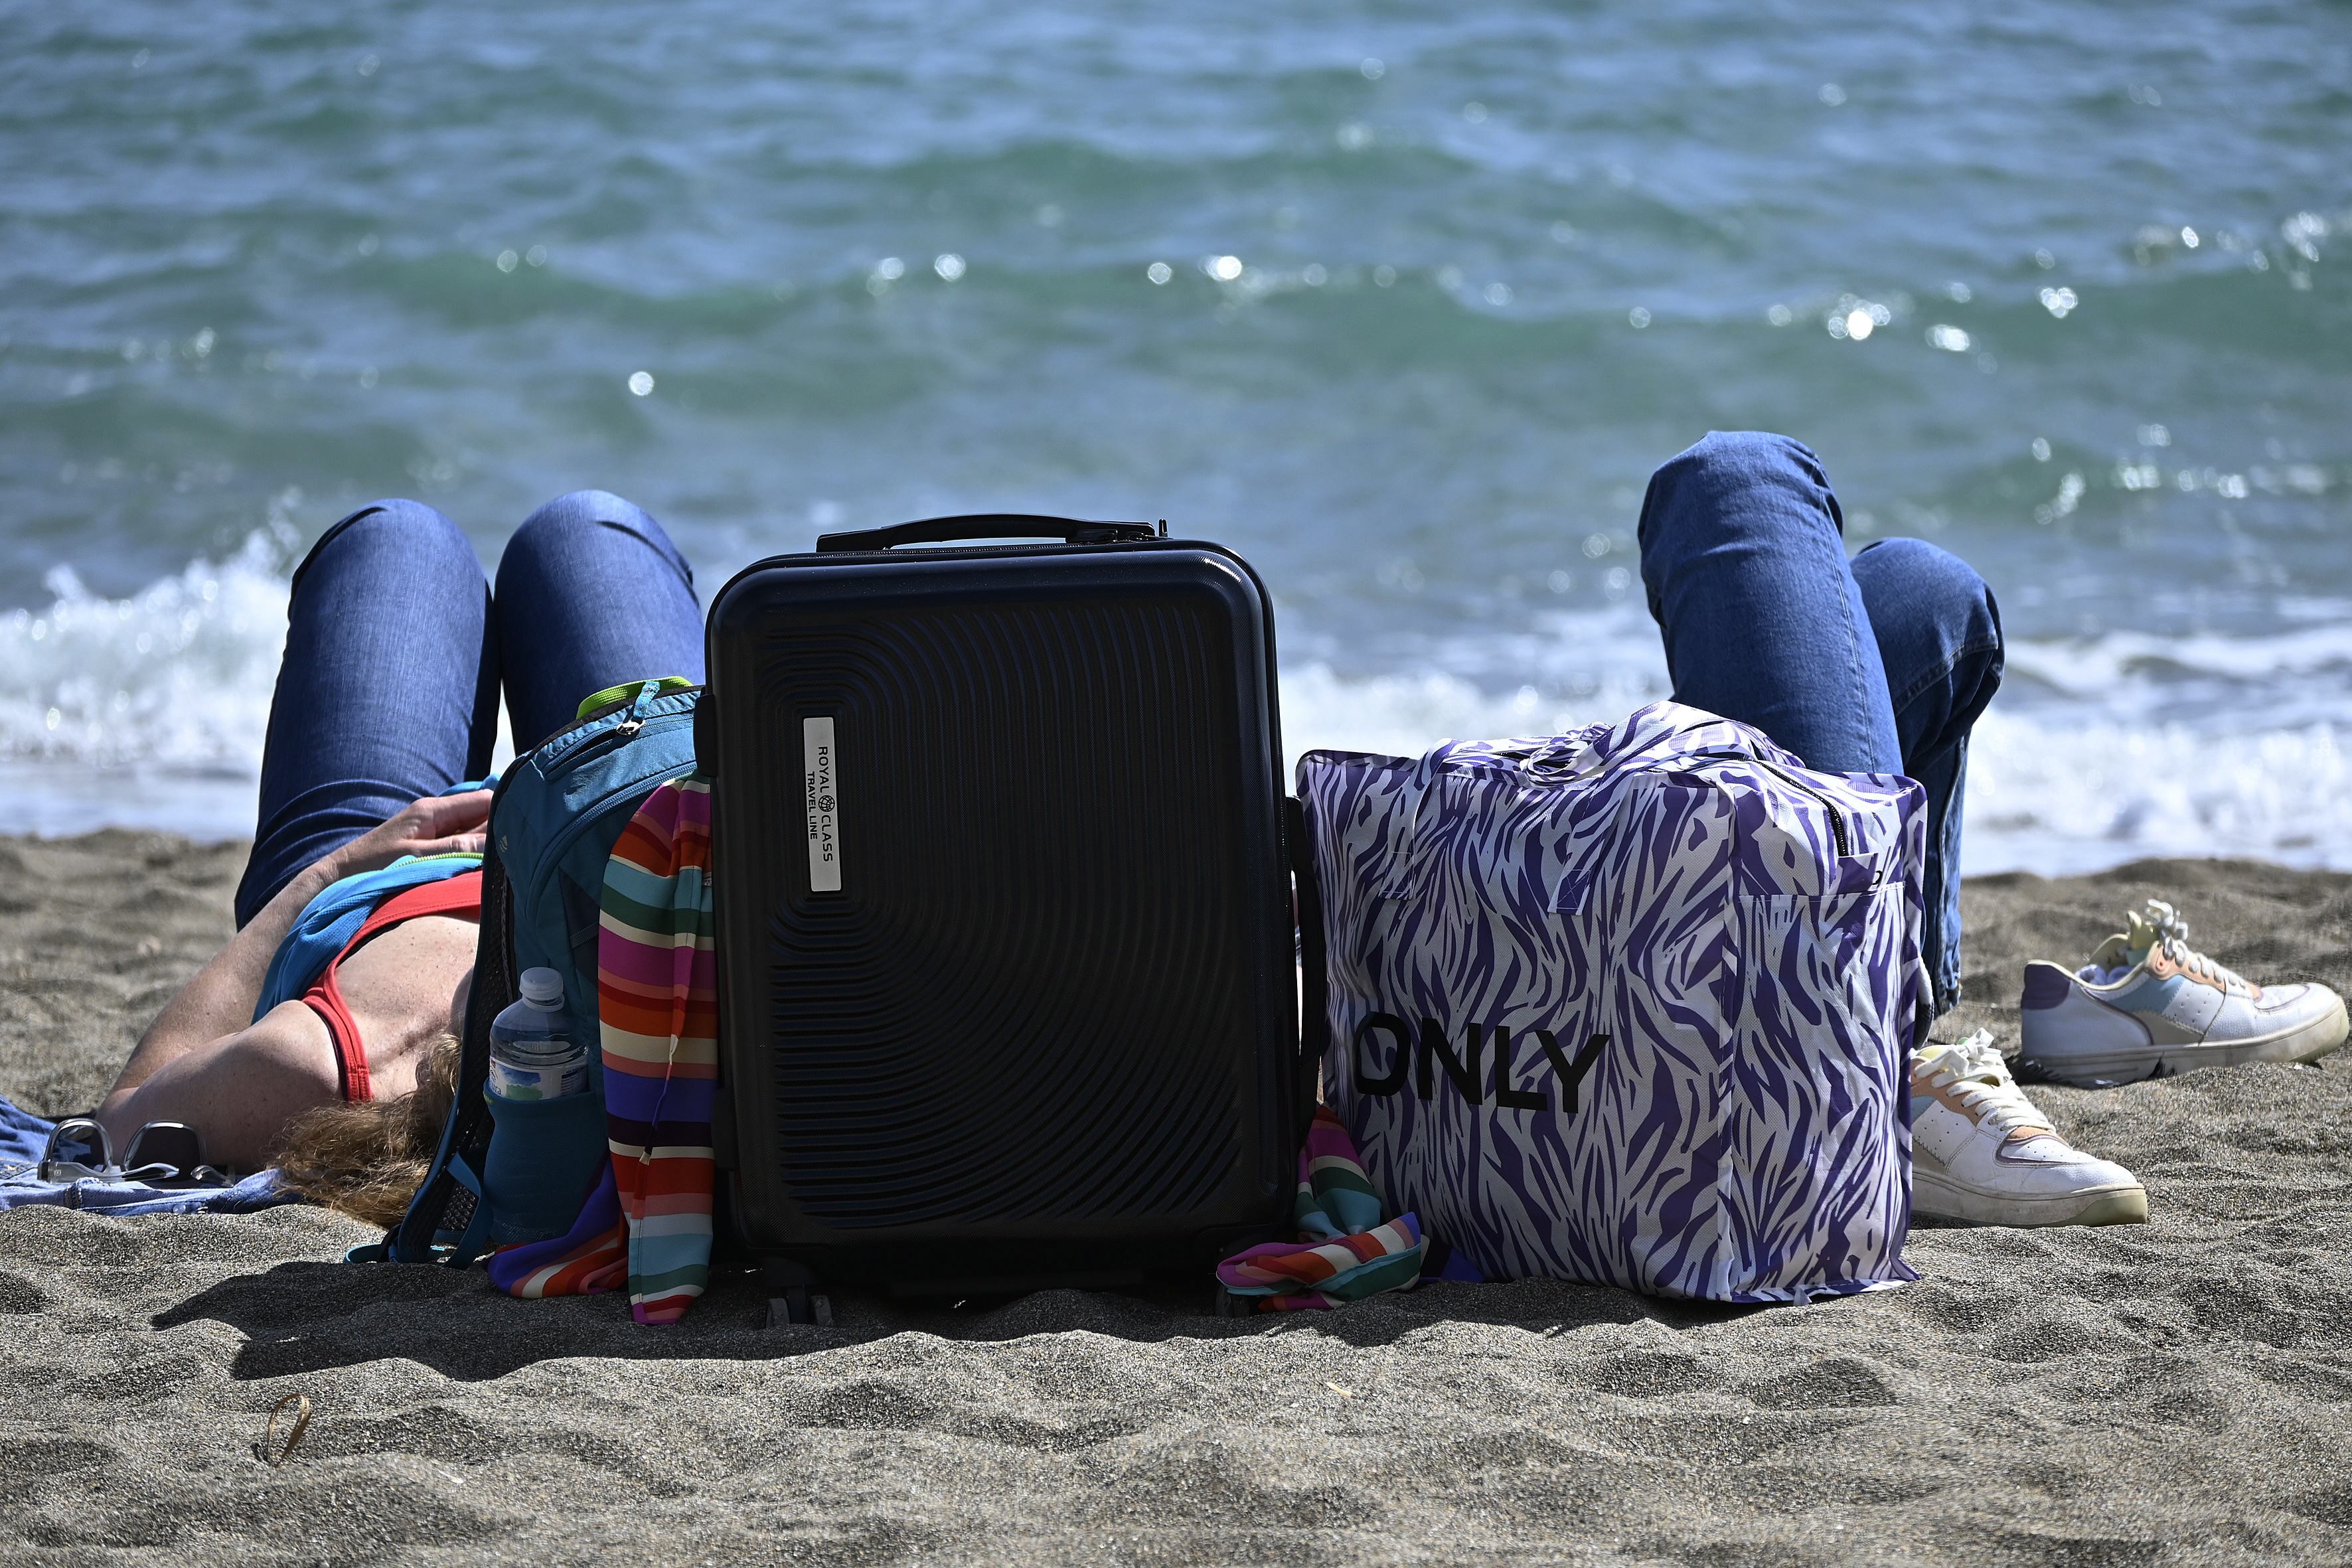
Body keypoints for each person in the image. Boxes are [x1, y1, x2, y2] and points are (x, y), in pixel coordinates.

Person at [86, 489, 706, 1221]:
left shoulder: (323, 1067)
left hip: (384, 863)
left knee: (400, 537)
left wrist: (336, 868)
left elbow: (115, 1126)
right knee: (586, 529)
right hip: (630, 818)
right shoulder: (683, 1049)